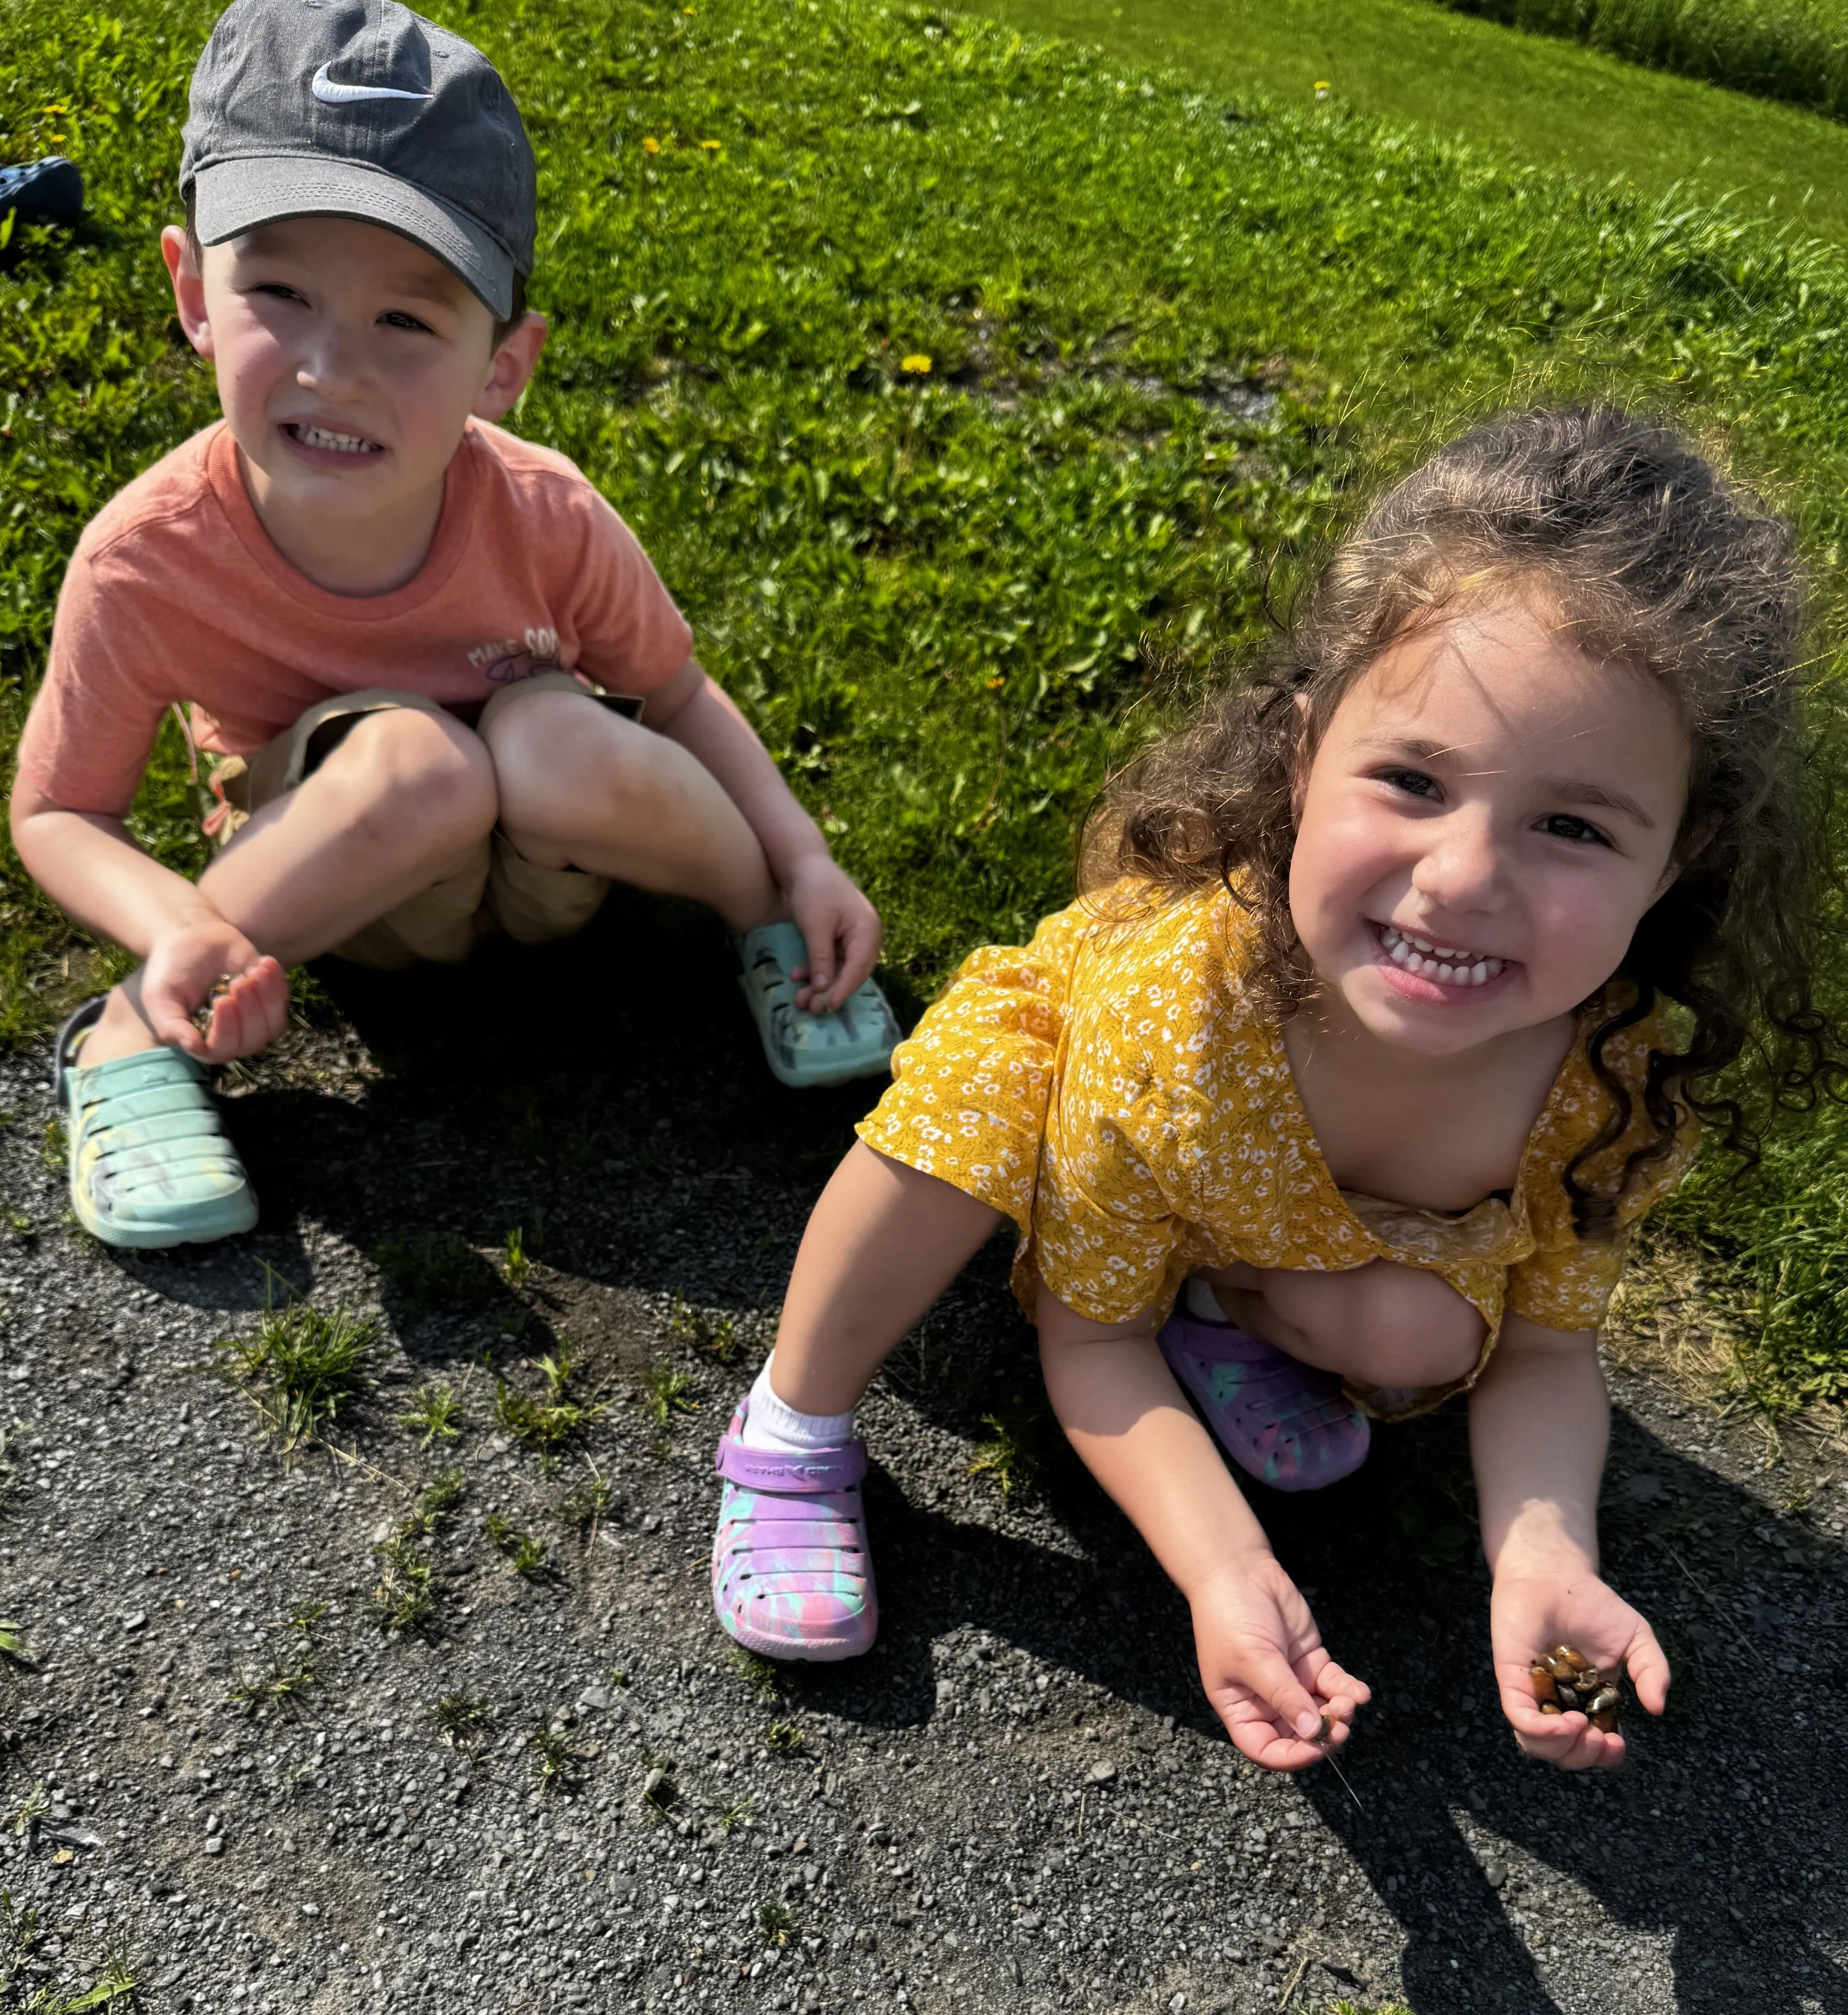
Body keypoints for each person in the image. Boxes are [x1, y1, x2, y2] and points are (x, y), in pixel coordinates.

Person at [710, 406, 1836, 1773]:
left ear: (1676, 859)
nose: (1466, 878)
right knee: (957, 1125)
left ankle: (1226, 1306)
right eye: (1413, 779)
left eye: (1574, 826)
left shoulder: (1614, 1082)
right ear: (1304, 760)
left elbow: (1543, 1352)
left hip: (1258, 1222)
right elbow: (1091, 1339)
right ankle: (790, 1424)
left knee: (1425, 1339)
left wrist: (1545, 1549)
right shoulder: (1176, 1022)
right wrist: (1225, 1569)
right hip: (1107, 1115)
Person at [11, 0, 892, 1252]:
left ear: (504, 363)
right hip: (356, 889)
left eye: (408, 320)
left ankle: (768, 934)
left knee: (552, 736)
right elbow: (56, 813)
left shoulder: (544, 511)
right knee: (422, 761)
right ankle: (128, 1040)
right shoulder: (147, 559)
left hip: (554, 871)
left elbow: (679, 694)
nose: (333, 366)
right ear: (192, 290)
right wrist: (178, 925)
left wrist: (795, 860)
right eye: (279, 290)